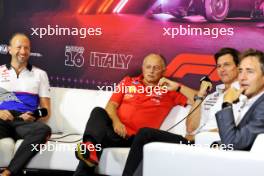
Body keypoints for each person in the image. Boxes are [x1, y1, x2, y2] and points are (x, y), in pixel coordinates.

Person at [122, 47, 241, 176]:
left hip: (209, 143)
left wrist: (201, 136)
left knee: (145, 134)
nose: (222, 70)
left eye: (227, 65)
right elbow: (190, 128)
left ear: (238, 67)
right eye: (219, 66)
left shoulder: (242, 93)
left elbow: (237, 127)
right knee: (146, 135)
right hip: (191, 141)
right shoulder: (212, 96)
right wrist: (200, 96)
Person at [73, 53, 198, 176]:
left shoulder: (169, 90)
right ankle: (90, 150)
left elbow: (199, 98)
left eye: (156, 68)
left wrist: (178, 88)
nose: (151, 71)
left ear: (164, 71)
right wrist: (116, 122)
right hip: (116, 132)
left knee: (143, 132)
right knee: (98, 112)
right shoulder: (128, 82)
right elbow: (111, 106)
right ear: (143, 68)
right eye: (148, 67)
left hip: (137, 139)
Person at [0, 33, 51, 176]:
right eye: (19, 47)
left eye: (26, 48)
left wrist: (34, 115)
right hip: (2, 119)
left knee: (43, 129)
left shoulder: (40, 74)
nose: (23, 51)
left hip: (23, 122)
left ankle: (8, 173)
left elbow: (46, 110)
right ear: (9, 49)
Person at [216, 48, 264, 150]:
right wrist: (217, 144)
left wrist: (227, 103)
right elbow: (242, 138)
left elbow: (232, 143)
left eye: (249, 71)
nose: (242, 77)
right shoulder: (254, 100)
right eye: (240, 71)